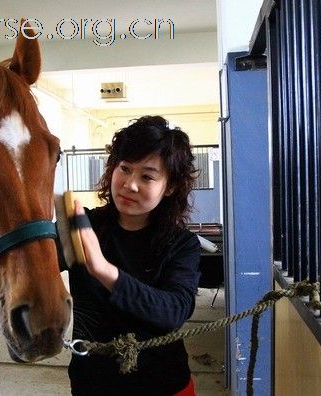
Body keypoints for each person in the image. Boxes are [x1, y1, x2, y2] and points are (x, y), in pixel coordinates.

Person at [67, 115, 201, 395]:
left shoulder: (181, 244)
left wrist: (103, 270)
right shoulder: (82, 226)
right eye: (124, 168)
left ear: (171, 186)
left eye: (147, 176)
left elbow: (173, 311)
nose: (130, 184)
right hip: (92, 382)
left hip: (164, 384)